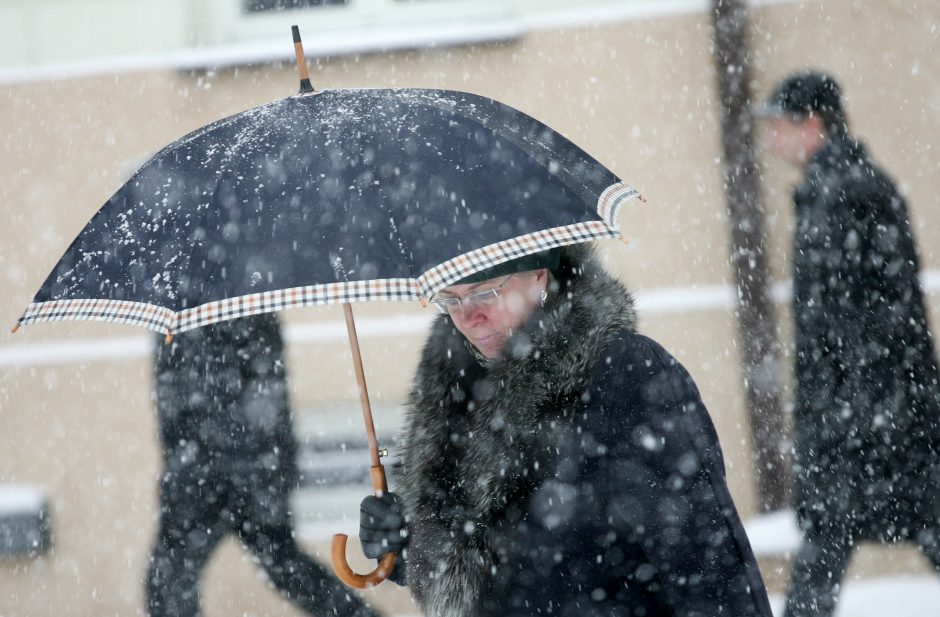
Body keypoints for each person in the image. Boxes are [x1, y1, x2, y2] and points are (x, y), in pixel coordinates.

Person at [358, 245, 773, 616]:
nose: (468, 317)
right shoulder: (458, 400)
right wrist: (408, 547)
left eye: (485, 292)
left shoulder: (622, 373)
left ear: (540, 276)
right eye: (450, 299)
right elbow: (492, 580)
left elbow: (707, 562)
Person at [759, 70, 940, 617]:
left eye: (778, 123)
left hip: (870, 415)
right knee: (845, 540)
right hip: (873, 410)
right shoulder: (836, 189)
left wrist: (848, 413)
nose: (771, 137)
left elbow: (863, 320)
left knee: (834, 543)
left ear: (812, 122)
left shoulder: (847, 194)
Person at [148, 313, 376, 617]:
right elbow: (171, 402)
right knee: (281, 566)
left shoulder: (197, 309)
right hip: (223, 469)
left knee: (172, 577)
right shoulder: (191, 313)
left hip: (229, 470)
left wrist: (192, 460)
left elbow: (262, 396)